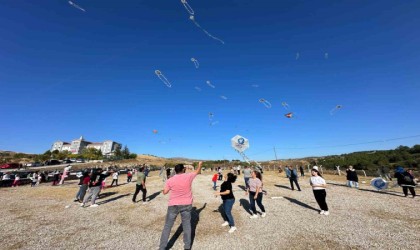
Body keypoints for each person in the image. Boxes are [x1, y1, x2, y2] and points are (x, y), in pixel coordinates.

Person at [159, 162, 203, 250]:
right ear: (183, 169)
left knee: (167, 226)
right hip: (186, 204)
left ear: (175, 171)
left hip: (173, 205)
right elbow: (197, 171)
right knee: (187, 225)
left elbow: (165, 192)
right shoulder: (188, 176)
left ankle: (162, 247)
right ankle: (187, 247)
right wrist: (200, 165)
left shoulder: (170, 180)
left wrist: (162, 190)